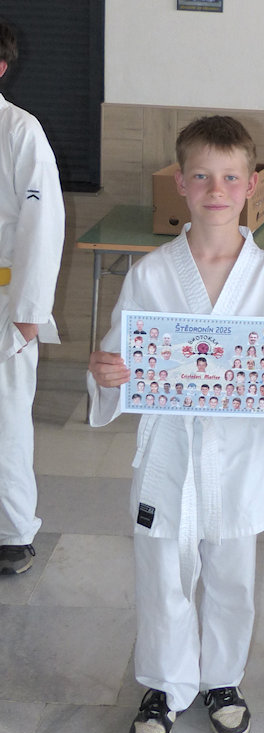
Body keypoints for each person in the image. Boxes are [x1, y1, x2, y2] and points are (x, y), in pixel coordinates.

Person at [88, 116, 264, 733]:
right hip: (169, 454)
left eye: (231, 177)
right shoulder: (151, 272)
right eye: (202, 177)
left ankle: (222, 681)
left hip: (239, 456)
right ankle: (164, 684)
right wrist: (108, 373)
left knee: (232, 575)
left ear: (251, 186)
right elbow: (118, 356)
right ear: (181, 184)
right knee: (161, 571)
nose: (217, 189)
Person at [0, 20, 65, 576]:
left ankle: (12, 534)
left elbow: (43, 226)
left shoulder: (21, 131)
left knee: (5, 420)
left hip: (4, 298)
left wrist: (27, 314)